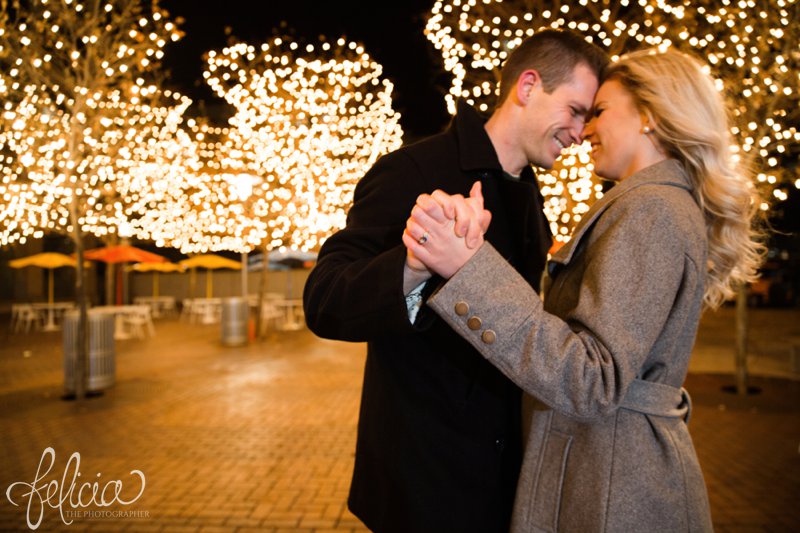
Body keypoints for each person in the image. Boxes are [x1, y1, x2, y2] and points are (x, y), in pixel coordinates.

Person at [404, 48, 765, 532]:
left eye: (598, 113)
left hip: (612, 489)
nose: (585, 131)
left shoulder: (651, 210)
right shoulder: (651, 204)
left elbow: (593, 379)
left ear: (650, 117)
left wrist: (467, 268)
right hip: (608, 474)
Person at [303, 30, 608, 533]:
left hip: (502, 480)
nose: (579, 132)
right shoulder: (414, 169)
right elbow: (325, 299)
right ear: (528, 86)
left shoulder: (530, 198)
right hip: (424, 483)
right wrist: (417, 263)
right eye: (575, 110)